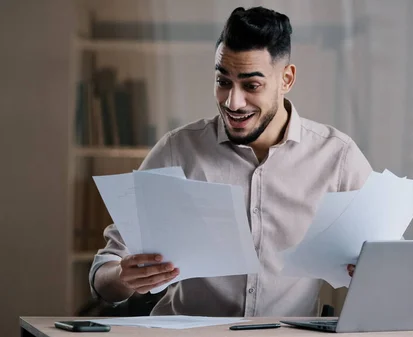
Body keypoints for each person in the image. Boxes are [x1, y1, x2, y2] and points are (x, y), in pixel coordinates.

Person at [89, 6, 371, 317]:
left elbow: (387, 261)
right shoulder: (177, 150)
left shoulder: (337, 158)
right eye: (223, 82)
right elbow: (104, 275)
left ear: (286, 79)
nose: (233, 102)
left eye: (251, 86)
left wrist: (371, 270)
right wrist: (124, 278)